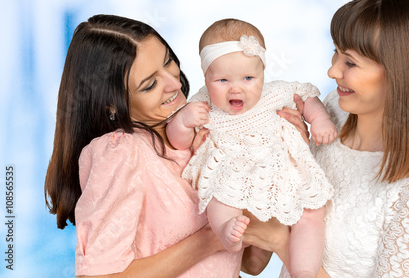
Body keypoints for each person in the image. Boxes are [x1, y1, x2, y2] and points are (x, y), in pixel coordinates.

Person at [43, 14, 271, 277]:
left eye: (168, 62)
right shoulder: (122, 153)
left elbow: (253, 263)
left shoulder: (203, 130)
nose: (174, 83)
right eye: (150, 84)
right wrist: (208, 240)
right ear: (112, 104)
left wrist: (284, 162)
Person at [274, 0, 409, 277]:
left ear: (399, 74)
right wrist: (296, 153)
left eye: (350, 62)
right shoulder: (334, 111)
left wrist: (279, 243)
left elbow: (284, 237)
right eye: (335, 53)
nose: (332, 71)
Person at [166, 18, 336, 278]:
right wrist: (183, 121)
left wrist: (319, 119)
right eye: (222, 80)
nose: (236, 88)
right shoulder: (201, 103)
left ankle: (303, 270)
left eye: (248, 78)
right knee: (220, 194)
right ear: (206, 77)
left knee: (311, 212)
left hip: (281, 170)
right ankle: (225, 231)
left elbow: (306, 97)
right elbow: (178, 141)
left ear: (263, 73)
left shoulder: (275, 93)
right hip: (233, 171)